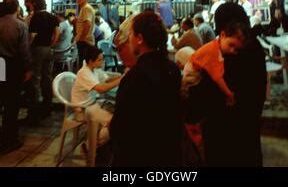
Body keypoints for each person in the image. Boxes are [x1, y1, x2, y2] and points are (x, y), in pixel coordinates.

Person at [195, 3, 266, 166]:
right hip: (249, 120)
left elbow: (208, 93)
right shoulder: (254, 47)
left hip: (222, 129)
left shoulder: (225, 51)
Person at [109, 11, 183, 166]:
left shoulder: (135, 77)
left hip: (139, 156)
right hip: (169, 152)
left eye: (130, 37)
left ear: (139, 39)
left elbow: (120, 128)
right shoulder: (172, 68)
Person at [183, 21, 247, 106]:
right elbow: (217, 78)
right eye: (231, 45)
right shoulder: (213, 51)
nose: (232, 51)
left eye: (236, 49)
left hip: (196, 74)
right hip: (192, 77)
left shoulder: (217, 47)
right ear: (222, 35)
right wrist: (229, 94)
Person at [71, 45, 122, 145]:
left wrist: (121, 76)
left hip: (92, 105)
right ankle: (91, 145)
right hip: (82, 110)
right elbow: (101, 89)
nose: (102, 62)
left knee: (117, 113)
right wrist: (121, 80)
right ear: (90, 61)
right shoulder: (84, 73)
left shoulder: (95, 69)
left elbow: (106, 79)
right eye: (99, 60)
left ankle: (97, 143)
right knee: (114, 123)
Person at [0, 0, 32, 154]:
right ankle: (9, 139)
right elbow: (24, 51)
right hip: (12, 66)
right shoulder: (20, 25)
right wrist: (27, 69)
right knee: (11, 103)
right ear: (17, 8)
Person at [25, 0, 61, 122]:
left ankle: (33, 112)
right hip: (49, 50)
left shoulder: (36, 17)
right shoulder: (52, 17)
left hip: (38, 49)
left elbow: (32, 36)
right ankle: (47, 105)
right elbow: (58, 32)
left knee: (35, 79)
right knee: (47, 77)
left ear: (34, 4)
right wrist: (52, 44)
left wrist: (27, 47)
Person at [75, 0, 95, 66]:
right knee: (84, 64)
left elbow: (88, 24)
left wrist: (82, 38)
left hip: (85, 42)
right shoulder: (84, 8)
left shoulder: (86, 8)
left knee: (83, 65)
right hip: (85, 41)